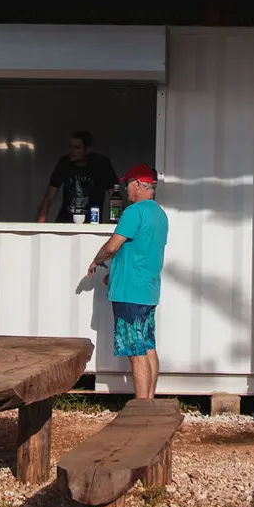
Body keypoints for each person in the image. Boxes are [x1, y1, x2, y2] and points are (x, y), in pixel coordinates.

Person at [86, 164, 167, 398]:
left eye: (128, 184)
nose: (126, 189)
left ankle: (141, 408)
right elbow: (142, 252)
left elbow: (113, 246)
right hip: (148, 290)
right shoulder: (160, 215)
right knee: (148, 346)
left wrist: (96, 260)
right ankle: (149, 402)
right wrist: (115, 274)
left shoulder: (134, 212)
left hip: (129, 293)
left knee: (136, 352)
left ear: (140, 185)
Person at [36, 130, 119, 223]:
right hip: (66, 222)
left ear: (88, 150)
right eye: (70, 147)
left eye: (77, 148)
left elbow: (114, 196)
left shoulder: (101, 164)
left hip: (92, 222)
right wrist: (41, 221)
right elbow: (50, 195)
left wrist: (117, 222)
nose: (72, 151)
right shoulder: (64, 163)